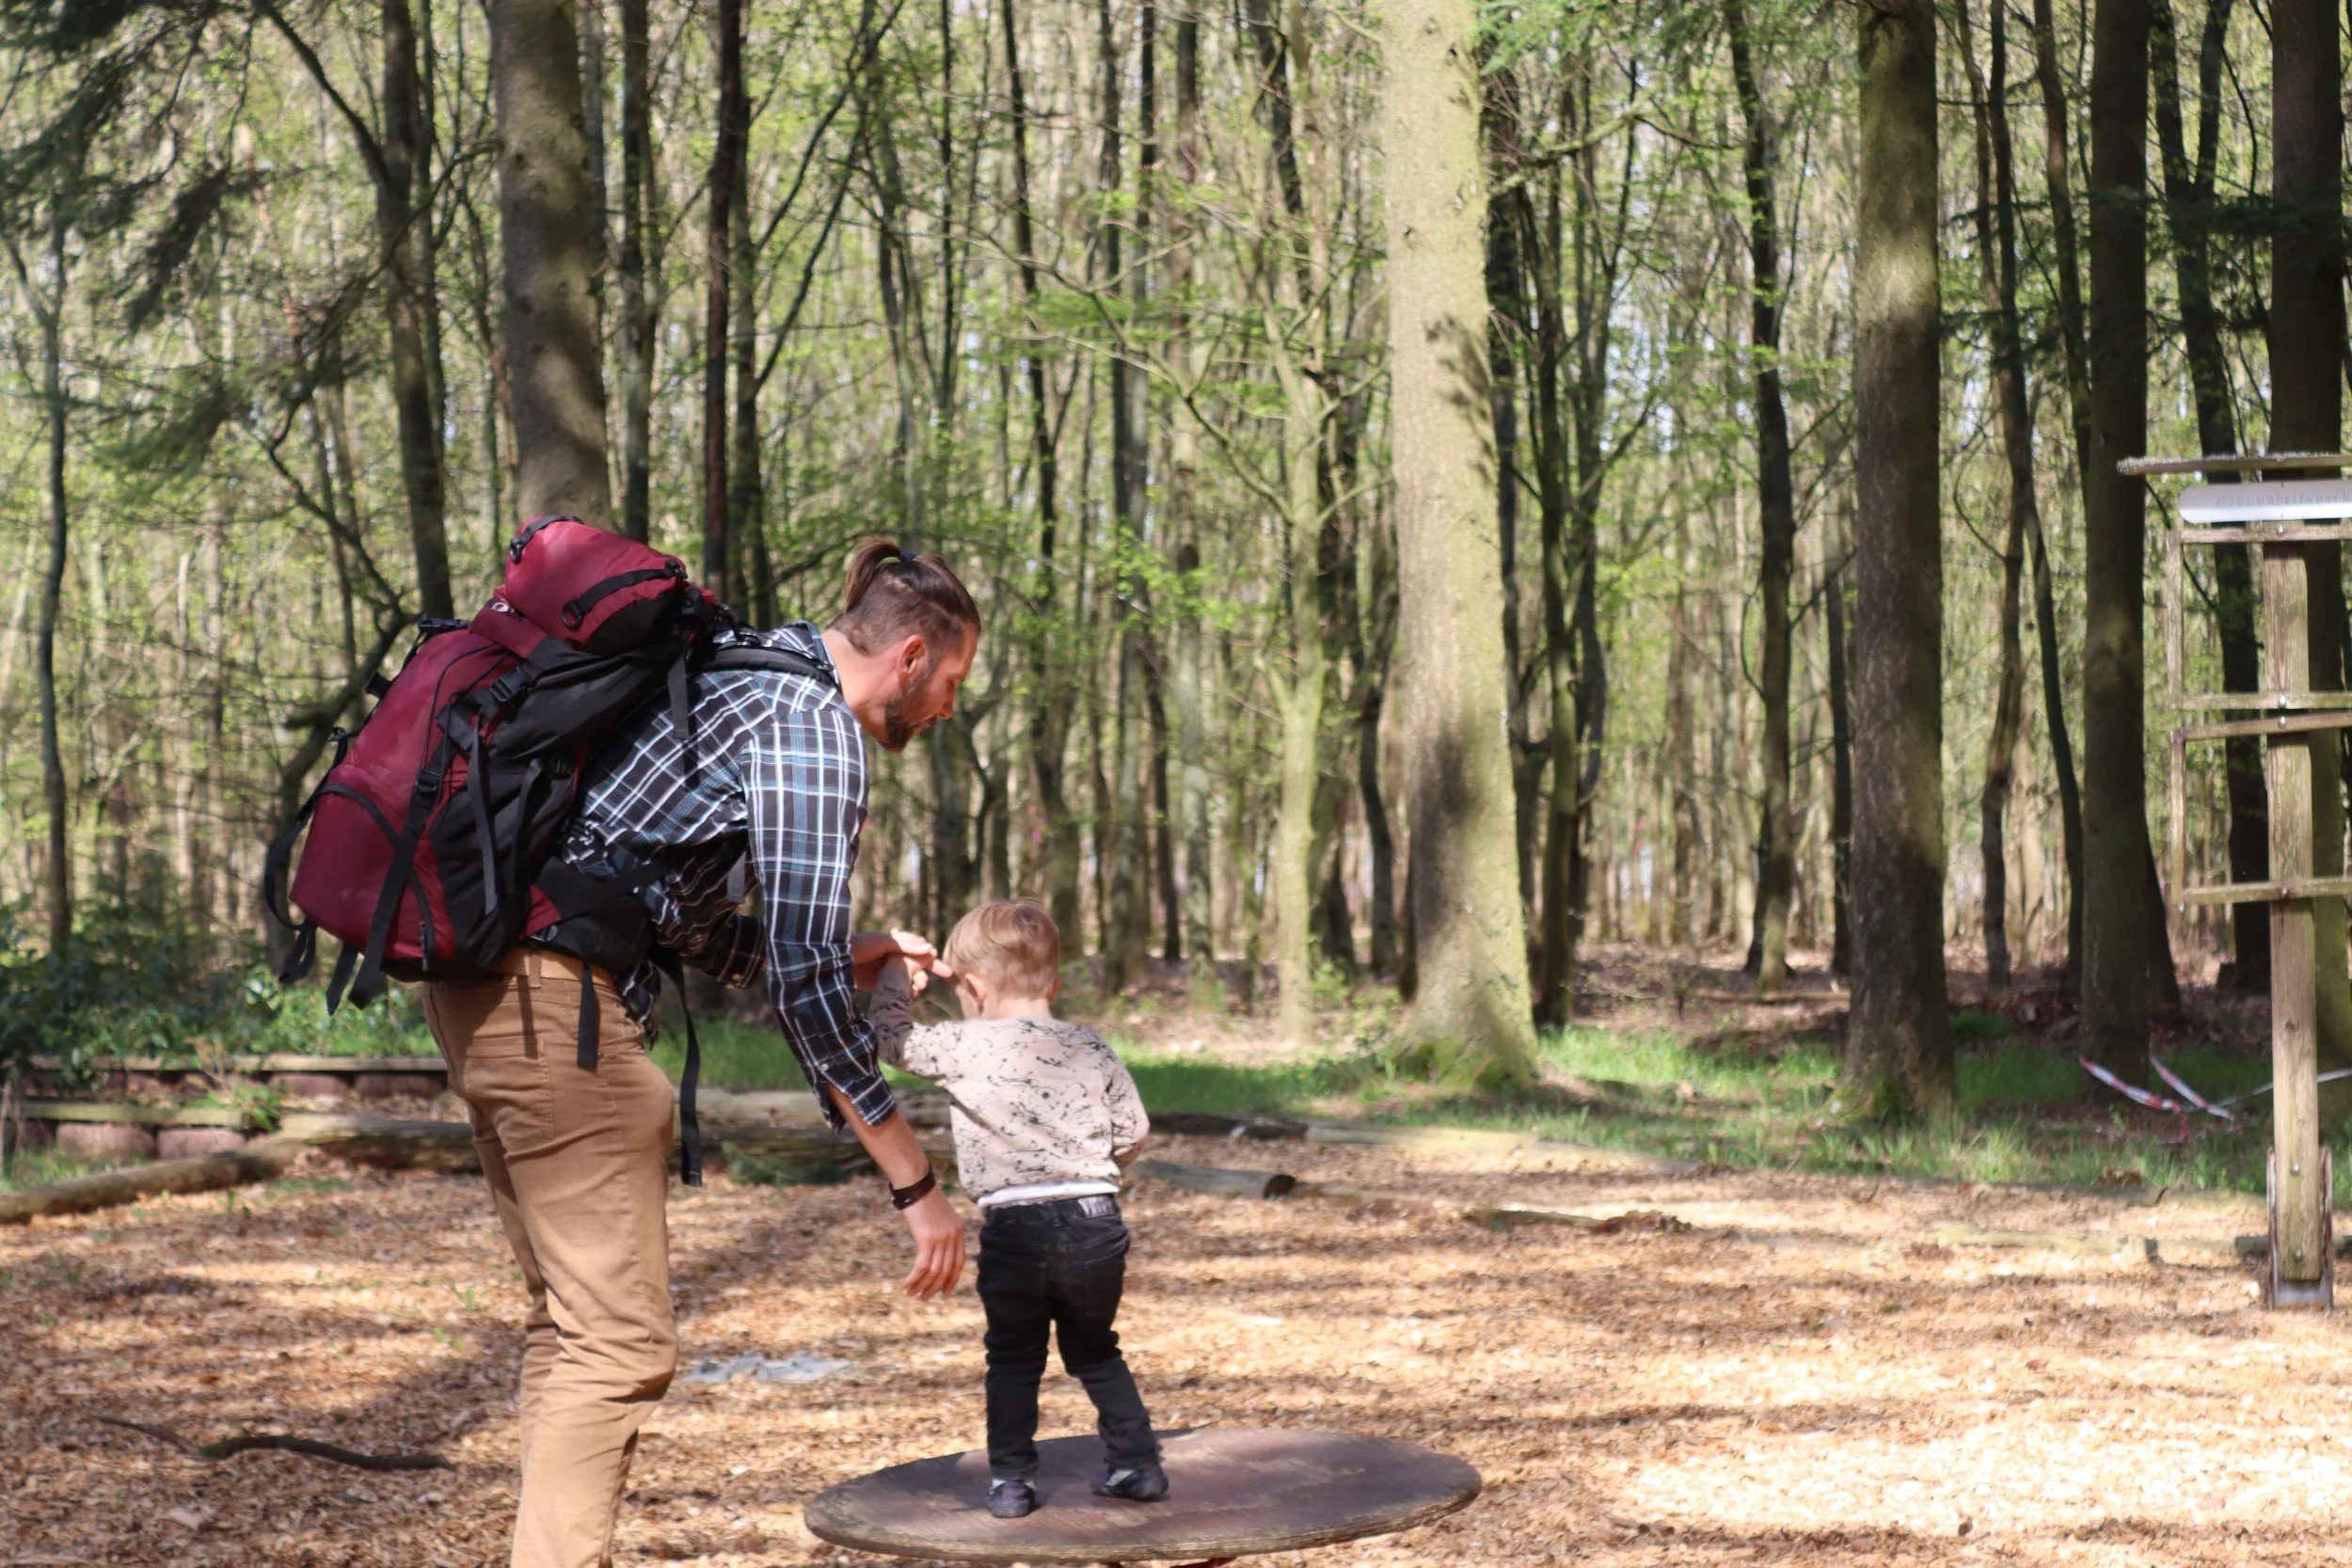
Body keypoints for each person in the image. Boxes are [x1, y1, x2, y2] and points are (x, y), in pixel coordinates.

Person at [421, 540, 978, 1568]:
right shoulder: (813, 727)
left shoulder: (734, 672)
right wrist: (915, 1182)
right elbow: (804, 990)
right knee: (621, 1342)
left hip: (486, 988)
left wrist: (846, 953)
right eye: (949, 684)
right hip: (561, 1012)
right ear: (908, 657)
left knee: (573, 1327)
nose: (944, 708)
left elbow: (676, 912)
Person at [867, 899, 1167, 1519]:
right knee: (1095, 1349)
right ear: (1054, 983)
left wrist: (896, 967)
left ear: (972, 986)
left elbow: (889, 1038)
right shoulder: (1090, 1045)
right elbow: (1133, 1130)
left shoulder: (963, 1046)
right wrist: (1089, 1168)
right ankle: (1137, 1465)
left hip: (1015, 1227)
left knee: (1013, 1356)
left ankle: (1012, 1482)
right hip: (1094, 1220)